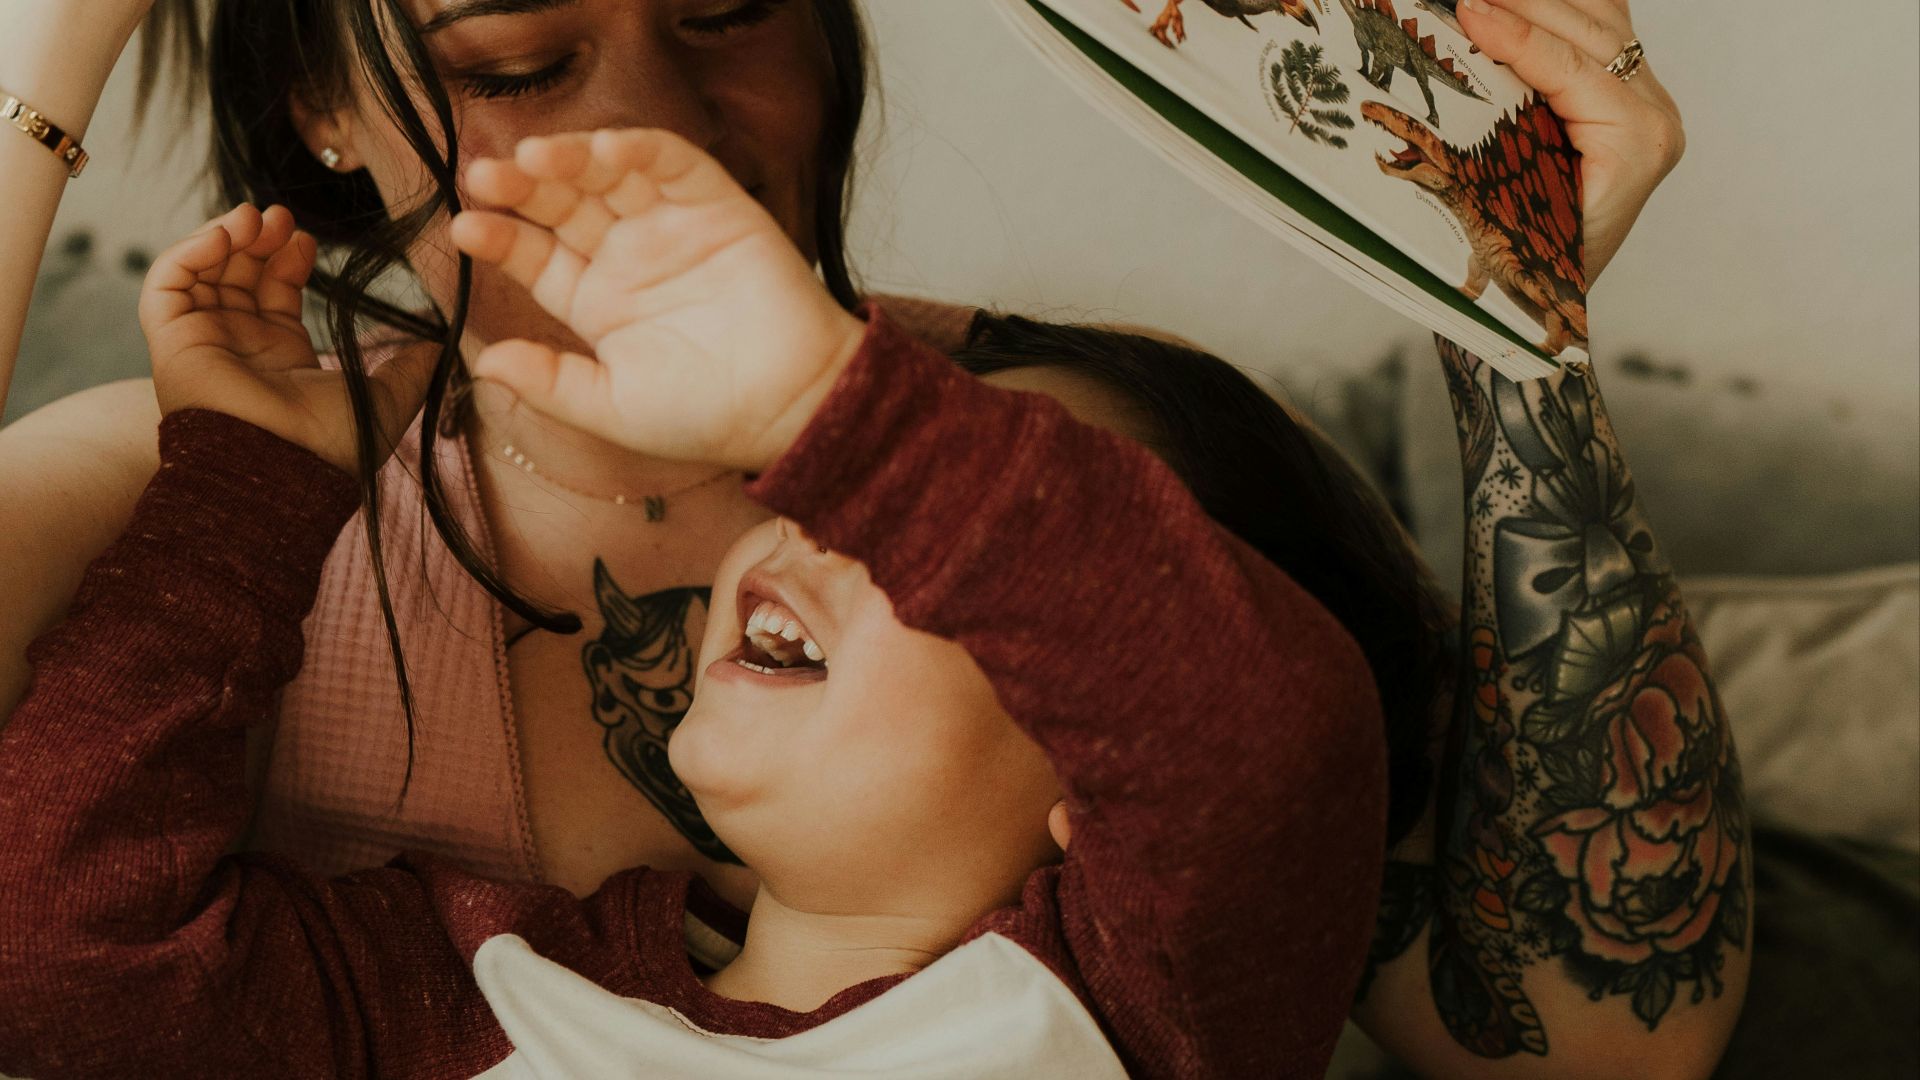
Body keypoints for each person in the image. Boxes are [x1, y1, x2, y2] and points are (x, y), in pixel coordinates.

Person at [0, 0, 1745, 1075]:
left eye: (733, 7)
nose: (658, 120)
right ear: (320, 95)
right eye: (517, 58)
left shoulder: (1088, 459)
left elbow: (1594, 1046)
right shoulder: (212, 485)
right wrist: (46, 57)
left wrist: (1517, 318)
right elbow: (78, 968)